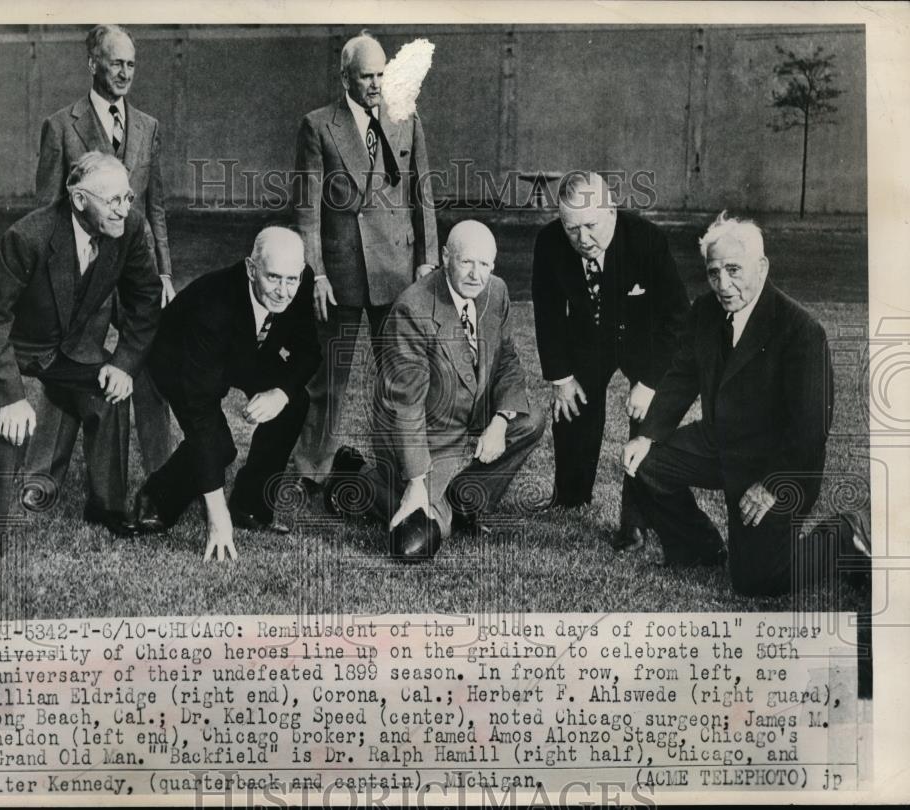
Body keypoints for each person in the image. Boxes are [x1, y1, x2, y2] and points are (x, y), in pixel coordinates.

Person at [622, 211, 870, 596]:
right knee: (645, 467)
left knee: (759, 582)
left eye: (734, 270)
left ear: (762, 266)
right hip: (717, 443)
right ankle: (700, 548)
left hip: (777, 464)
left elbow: (809, 431)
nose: (723, 284)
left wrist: (772, 485)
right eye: (713, 272)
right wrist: (648, 435)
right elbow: (683, 375)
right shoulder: (705, 310)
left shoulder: (801, 330)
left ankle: (844, 535)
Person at [0, 151, 162, 557]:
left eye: (128, 198)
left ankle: (107, 509)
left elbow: (146, 299)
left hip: (67, 347)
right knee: (7, 422)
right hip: (9, 341)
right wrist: (10, 397)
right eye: (114, 201)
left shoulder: (129, 227)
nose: (124, 209)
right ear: (79, 200)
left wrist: (124, 365)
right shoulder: (28, 236)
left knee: (108, 393)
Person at [327, 221, 545, 558]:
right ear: (445, 257)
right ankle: (356, 478)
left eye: (485, 264)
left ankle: (465, 501)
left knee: (530, 420)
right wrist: (416, 483)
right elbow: (406, 404)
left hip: (467, 414)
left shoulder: (496, 291)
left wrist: (500, 422)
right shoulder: (412, 310)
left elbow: (508, 362)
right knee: (434, 531)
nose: (476, 274)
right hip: (424, 433)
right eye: (466, 262)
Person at [29, 23, 174, 500]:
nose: (126, 72)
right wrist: (50, 279)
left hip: (137, 268)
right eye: (117, 63)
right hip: (83, 269)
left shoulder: (149, 126)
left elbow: (154, 208)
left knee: (148, 360)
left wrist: (164, 271)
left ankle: (163, 474)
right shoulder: (61, 125)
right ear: (93, 65)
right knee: (72, 359)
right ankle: (43, 476)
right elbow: (47, 211)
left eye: (132, 64)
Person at [291, 31, 439, 498]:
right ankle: (312, 470)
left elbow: (423, 196)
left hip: (397, 272)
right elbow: (307, 209)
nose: (376, 85)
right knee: (326, 381)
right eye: (366, 76)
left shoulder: (406, 118)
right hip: (340, 276)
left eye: (382, 75)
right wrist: (314, 273)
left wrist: (427, 259)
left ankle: (401, 470)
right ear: (345, 77)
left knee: (400, 378)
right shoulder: (318, 126)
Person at [131, 227, 321, 561]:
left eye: (292, 279)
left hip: (246, 346)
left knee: (294, 402)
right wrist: (217, 520)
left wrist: (280, 392)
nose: (283, 291)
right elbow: (201, 412)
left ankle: (250, 505)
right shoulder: (212, 303)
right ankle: (156, 498)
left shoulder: (298, 280)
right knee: (218, 444)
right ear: (251, 268)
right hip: (178, 356)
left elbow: (308, 351)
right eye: (273, 278)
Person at [531, 172, 689, 550]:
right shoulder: (550, 243)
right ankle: (570, 496)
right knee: (572, 406)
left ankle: (635, 521)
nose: (583, 240)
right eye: (572, 229)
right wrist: (561, 378)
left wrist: (650, 383)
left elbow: (679, 318)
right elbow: (548, 314)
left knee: (646, 418)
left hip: (644, 341)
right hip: (588, 338)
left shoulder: (647, 240)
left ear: (612, 212)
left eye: (591, 226)